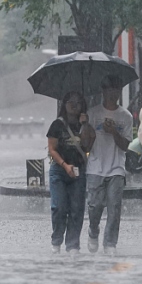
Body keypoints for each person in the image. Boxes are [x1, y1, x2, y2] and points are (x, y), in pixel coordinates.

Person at [81, 76, 133, 254]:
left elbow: (126, 146)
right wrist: (86, 127)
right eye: (109, 90)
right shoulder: (93, 113)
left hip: (116, 168)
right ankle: (93, 231)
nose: (113, 94)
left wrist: (113, 132)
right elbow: (85, 144)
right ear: (103, 92)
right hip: (96, 167)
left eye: (116, 90)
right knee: (94, 206)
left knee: (114, 208)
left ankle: (110, 243)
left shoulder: (125, 116)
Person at [46, 91, 89, 253]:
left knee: (77, 208)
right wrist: (65, 165)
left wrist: (85, 125)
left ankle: (73, 244)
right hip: (59, 171)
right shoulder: (57, 125)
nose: (73, 106)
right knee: (59, 207)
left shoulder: (84, 124)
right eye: (70, 102)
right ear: (64, 105)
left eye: (77, 103)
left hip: (79, 171)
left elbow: (87, 145)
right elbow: (52, 149)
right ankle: (56, 240)